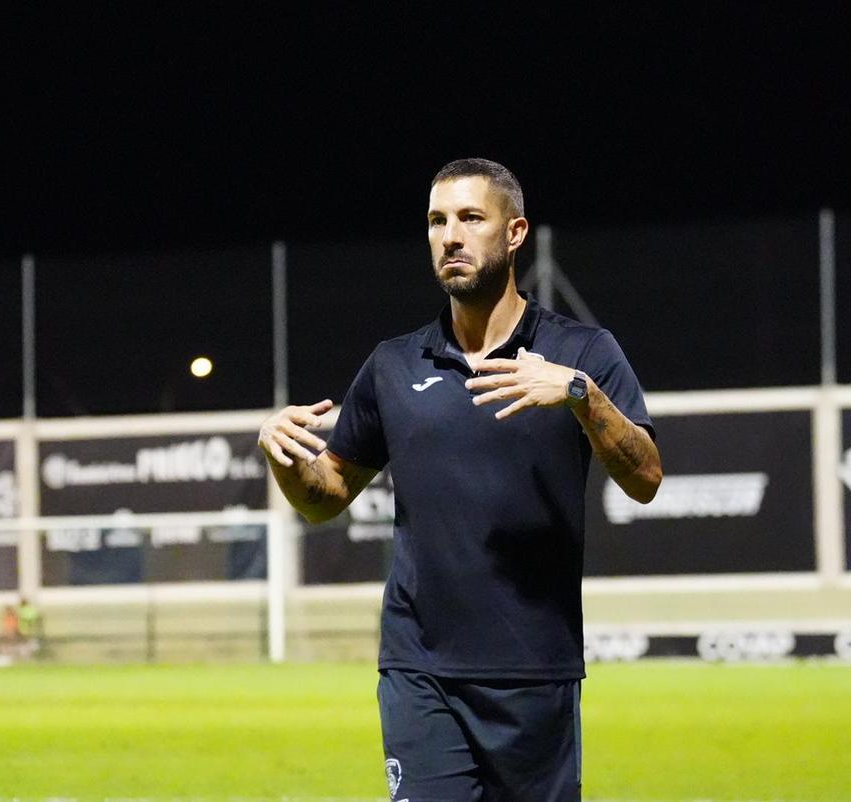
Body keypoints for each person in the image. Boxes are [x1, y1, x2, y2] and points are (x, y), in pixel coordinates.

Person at [258, 158, 661, 801]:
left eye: (471, 218)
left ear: (515, 233)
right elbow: (325, 496)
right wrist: (284, 458)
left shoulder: (582, 353)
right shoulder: (394, 365)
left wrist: (581, 396)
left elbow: (645, 478)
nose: (451, 235)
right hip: (420, 669)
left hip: (536, 671)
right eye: (437, 221)